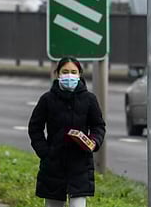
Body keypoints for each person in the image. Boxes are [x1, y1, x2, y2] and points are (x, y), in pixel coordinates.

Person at [28, 56, 106, 207]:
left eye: (73, 72)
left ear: (79, 74)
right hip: (53, 165)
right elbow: (35, 128)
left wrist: (93, 142)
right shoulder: (47, 99)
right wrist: (45, 152)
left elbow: (98, 126)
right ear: (57, 74)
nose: (69, 75)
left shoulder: (89, 99)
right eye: (65, 72)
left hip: (80, 165)